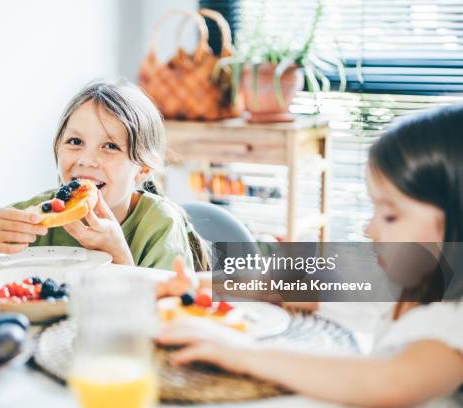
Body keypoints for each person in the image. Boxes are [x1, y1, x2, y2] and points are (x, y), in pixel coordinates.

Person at [158, 105, 463, 407]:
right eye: (374, 209)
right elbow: (296, 284)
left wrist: (240, 351)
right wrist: (207, 285)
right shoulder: (403, 284)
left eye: (391, 216)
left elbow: (390, 382)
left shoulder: (454, 321)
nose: (370, 228)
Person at [0, 79, 210, 272]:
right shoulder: (47, 210)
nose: (86, 160)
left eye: (110, 146)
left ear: (143, 169)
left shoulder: (160, 224)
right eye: (75, 141)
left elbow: (164, 317)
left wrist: (118, 253)